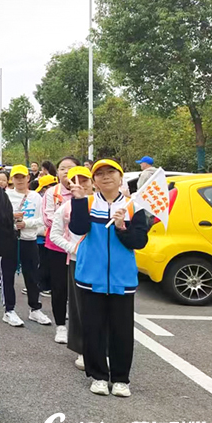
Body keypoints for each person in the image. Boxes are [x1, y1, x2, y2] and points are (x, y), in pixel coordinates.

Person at [69, 159, 150, 398]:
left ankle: (121, 379)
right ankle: (99, 376)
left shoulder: (135, 206)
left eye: (110, 172)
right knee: (93, 329)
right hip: (90, 277)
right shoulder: (88, 201)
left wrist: (121, 226)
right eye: (100, 174)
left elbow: (139, 242)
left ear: (120, 177)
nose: (105, 177)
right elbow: (78, 228)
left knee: (122, 331)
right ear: (94, 181)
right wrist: (79, 200)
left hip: (122, 279)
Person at [50, 165, 94, 370]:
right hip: (77, 262)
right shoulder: (66, 207)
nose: (80, 184)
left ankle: (102, 348)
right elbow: (55, 235)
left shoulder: (103, 204)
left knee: (103, 307)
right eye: (75, 180)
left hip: (104, 264)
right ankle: (82, 350)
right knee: (79, 308)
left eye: (84, 180)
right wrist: (74, 249)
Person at [1, 166, 51, 328]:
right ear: (12, 179)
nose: (20, 180)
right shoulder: (5, 196)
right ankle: (9, 310)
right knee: (8, 276)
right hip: (9, 240)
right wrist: (11, 220)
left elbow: (42, 220)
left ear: (28, 178)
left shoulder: (36, 197)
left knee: (32, 276)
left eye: (22, 177)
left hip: (29, 240)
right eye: (16, 177)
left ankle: (35, 308)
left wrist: (25, 223)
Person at [43, 156, 81, 334]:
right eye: (62, 168)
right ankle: (60, 325)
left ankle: (79, 324)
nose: (66, 172)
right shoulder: (52, 192)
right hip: (57, 246)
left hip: (81, 248)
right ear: (57, 172)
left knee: (79, 287)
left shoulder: (87, 191)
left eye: (70, 168)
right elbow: (48, 218)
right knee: (59, 287)